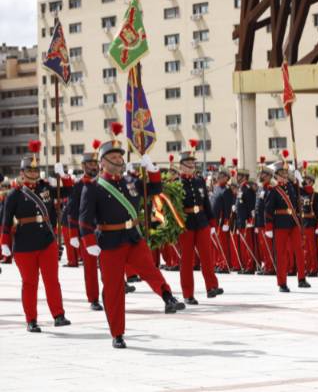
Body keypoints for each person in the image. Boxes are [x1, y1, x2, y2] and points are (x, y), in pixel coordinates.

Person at [79, 123, 185, 348]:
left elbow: (154, 190)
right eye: (113, 157)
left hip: (133, 237)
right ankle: (117, 333)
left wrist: (152, 169)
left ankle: (168, 297)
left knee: (150, 269)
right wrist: (89, 242)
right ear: (103, 162)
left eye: (120, 156)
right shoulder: (94, 187)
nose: (118, 160)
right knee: (114, 289)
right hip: (109, 242)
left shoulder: (130, 181)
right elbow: (84, 218)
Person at [0, 140, 73, 332]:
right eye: (29, 171)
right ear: (22, 173)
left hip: (46, 241)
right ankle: (31, 320)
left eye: (36, 170)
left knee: (52, 280)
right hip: (24, 244)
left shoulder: (45, 187)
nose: (33, 174)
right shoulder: (14, 194)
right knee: (30, 283)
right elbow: (6, 221)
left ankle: (58, 315)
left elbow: (68, 191)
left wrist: (63, 175)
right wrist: (4, 242)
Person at [176, 140, 223, 305]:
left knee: (207, 256)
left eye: (192, 163)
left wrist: (211, 222)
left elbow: (206, 203)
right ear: (181, 166)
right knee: (187, 260)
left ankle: (211, 287)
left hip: (202, 221)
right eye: (188, 163)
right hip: (186, 224)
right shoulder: (176, 184)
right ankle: (188, 294)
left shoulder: (199, 181)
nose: (191, 166)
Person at [264, 152, 311, 292]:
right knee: (281, 254)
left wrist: (300, 180)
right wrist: (269, 227)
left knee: (299, 251)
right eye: (282, 174)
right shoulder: (273, 190)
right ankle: (282, 283)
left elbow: (307, 192)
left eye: (286, 173)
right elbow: (268, 210)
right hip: (280, 224)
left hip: (293, 222)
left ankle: (302, 278)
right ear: (276, 175)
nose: (284, 176)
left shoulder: (291, 186)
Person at [67, 139, 103, 311]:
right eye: (90, 164)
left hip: (105, 229)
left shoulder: (104, 182)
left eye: (95, 163)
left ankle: (115, 290)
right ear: (83, 166)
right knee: (90, 268)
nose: (93, 166)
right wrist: (73, 234)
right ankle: (93, 298)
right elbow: (73, 209)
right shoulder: (79, 185)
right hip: (87, 231)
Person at [300, 167, 318, 277]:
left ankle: (314, 269)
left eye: (308, 180)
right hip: (303, 224)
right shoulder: (301, 194)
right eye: (304, 180)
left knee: (312, 248)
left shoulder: (316, 195)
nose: (305, 182)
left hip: (311, 224)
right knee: (305, 249)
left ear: (312, 182)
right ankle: (306, 267)